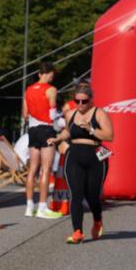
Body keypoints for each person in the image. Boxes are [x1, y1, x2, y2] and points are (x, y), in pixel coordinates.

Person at [49, 83, 114, 244]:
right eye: (77, 101)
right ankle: (77, 231)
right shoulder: (70, 113)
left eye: (84, 101)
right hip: (74, 156)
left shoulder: (99, 113)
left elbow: (109, 136)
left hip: (95, 156)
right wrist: (57, 138)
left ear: (91, 100)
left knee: (92, 195)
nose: (80, 105)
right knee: (76, 195)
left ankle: (97, 219)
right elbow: (68, 131)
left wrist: (91, 129)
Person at [22, 62, 64, 219]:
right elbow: (53, 115)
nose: (51, 78)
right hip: (46, 129)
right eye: (52, 76)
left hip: (32, 130)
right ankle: (42, 208)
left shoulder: (28, 90)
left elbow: (25, 115)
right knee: (46, 169)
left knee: (32, 169)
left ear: (39, 74)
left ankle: (29, 207)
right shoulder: (51, 89)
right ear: (50, 75)